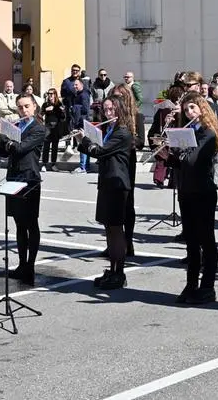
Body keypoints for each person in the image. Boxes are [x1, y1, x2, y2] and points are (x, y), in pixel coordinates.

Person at [165, 91, 218, 304]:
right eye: (186, 109)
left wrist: (179, 149)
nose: (189, 112)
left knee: (206, 241)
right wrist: (168, 156)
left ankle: (207, 286)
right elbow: (181, 163)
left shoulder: (208, 133)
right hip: (187, 191)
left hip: (203, 192)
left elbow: (193, 161)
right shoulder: (188, 130)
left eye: (192, 108)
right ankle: (191, 284)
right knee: (191, 241)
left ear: (201, 109)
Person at [0, 93, 46, 286]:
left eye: (27, 106)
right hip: (14, 178)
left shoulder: (38, 129)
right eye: (20, 107)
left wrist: (1, 134)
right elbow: (5, 151)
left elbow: (19, 149)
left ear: (34, 107)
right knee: (18, 225)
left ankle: (31, 267)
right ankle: (21, 264)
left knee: (31, 224)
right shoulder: (17, 126)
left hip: (29, 180)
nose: (23, 110)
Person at [76, 95, 134, 290]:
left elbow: (100, 151)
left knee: (116, 229)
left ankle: (120, 272)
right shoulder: (109, 129)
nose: (108, 113)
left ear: (120, 110)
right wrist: (82, 140)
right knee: (108, 229)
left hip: (117, 185)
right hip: (107, 182)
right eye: (106, 110)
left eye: (112, 109)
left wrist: (84, 140)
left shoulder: (123, 132)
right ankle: (112, 268)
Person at [111, 83, 145, 257]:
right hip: (111, 162)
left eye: (120, 97)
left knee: (127, 202)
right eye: (114, 97)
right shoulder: (111, 116)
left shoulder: (136, 115)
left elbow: (140, 141)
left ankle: (128, 242)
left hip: (126, 161)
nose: (117, 101)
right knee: (112, 204)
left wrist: (125, 140)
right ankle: (114, 242)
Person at [0, 80, 19, 170]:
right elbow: (1, 108)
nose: (9, 88)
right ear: (4, 87)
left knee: (12, 143)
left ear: (13, 87)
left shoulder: (17, 97)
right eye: (7, 86)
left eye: (10, 86)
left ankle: (11, 163)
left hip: (14, 123)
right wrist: (13, 110)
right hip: (1, 122)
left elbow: (19, 108)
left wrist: (10, 107)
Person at [70, 79, 92, 173]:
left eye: (76, 85)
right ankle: (85, 166)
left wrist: (74, 108)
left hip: (83, 122)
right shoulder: (78, 94)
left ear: (81, 85)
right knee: (85, 144)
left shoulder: (84, 95)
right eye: (73, 85)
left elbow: (85, 109)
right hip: (81, 121)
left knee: (83, 144)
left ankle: (83, 166)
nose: (74, 86)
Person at [40, 88, 65, 170]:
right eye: (49, 93)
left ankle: (53, 164)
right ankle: (44, 164)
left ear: (55, 94)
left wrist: (61, 110)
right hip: (47, 126)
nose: (50, 95)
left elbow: (63, 117)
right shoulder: (45, 104)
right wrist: (45, 110)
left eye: (52, 93)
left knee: (55, 147)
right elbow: (40, 115)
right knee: (46, 146)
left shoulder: (58, 104)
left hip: (56, 127)